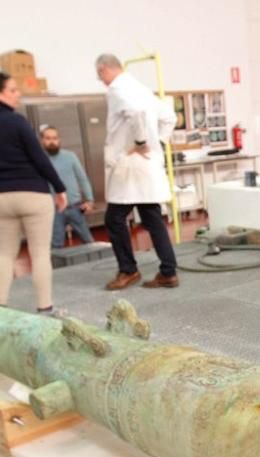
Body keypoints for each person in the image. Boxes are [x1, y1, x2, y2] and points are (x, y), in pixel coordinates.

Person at [0, 72, 67, 313]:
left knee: (4, 254)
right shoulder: (17, 122)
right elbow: (39, 158)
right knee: (40, 254)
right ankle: (45, 307)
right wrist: (59, 187)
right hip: (32, 193)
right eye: (13, 90)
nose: (18, 94)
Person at [95, 54, 179, 290]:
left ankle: (128, 270)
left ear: (104, 70)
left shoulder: (117, 89)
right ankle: (168, 271)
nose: (101, 80)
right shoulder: (141, 89)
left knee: (114, 219)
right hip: (147, 164)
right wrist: (157, 143)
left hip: (131, 164)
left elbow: (135, 112)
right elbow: (170, 117)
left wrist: (141, 142)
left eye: (100, 75)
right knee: (152, 218)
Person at [40, 126, 96, 248]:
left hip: (75, 207)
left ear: (59, 140)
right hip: (53, 210)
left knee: (90, 243)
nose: (52, 141)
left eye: (54, 138)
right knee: (56, 247)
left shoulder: (70, 156)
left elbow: (83, 179)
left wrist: (90, 200)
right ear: (42, 141)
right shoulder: (39, 160)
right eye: (48, 138)